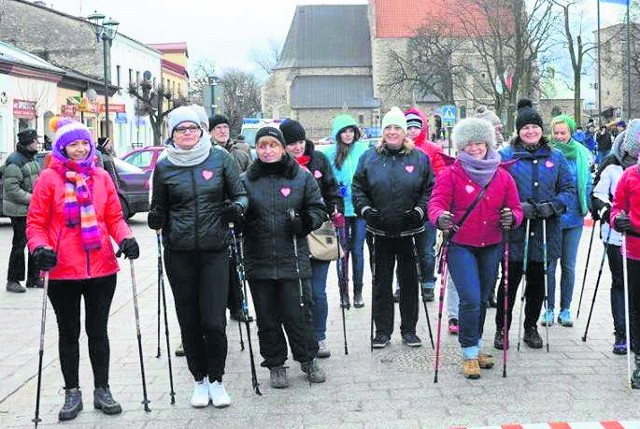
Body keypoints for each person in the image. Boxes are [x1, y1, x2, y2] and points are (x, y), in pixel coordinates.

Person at [27, 118, 139, 421]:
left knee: (98, 330)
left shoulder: (101, 176)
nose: (80, 149)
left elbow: (114, 216)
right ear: (62, 148)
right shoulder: (49, 179)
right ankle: (72, 392)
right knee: (69, 332)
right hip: (62, 269)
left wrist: (126, 238)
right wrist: (39, 248)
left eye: (84, 143)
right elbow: (35, 223)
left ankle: (102, 390)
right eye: (73, 144)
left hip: (102, 267)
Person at [148, 106, 248, 408]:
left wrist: (237, 208)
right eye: (181, 129)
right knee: (189, 320)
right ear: (173, 134)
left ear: (201, 131)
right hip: (179, 254)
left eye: (192, 128)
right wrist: (155, 218)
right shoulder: (164, 166)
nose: (187, 133)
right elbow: (159, 208)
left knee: (214, 322)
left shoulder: (220, 159)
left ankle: (217, 380)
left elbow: (240, 194)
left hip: (215, 251)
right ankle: (199, 380)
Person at [429, 117, 523, 378]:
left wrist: (512, 218)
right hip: (461, 245)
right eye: (468, 144)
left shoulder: (502, 176)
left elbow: (516, 208)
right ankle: (469, 351)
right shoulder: (451, 174)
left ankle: (478, 345)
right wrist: (440, 218)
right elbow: (436, 203)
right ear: (460, 146)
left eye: (479, 143)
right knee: (470, 298)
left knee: (482, 299)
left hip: (491, 245)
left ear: (488, 143)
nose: (474, 148)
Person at [241, 126, 327, 388]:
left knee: (298, 313)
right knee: (267, 317)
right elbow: (237, 208)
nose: (268, 151)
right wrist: (242, 220)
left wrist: (304, 222)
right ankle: (275, 363)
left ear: (282, 148)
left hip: (293, 257)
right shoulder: (246, 179)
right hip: (259, 258)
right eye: (262, 146)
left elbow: (317, 209)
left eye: (273, 145)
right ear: (257, 149)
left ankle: (307, 358)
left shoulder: (301, 177)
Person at [493, 99, 574, 350]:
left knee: (538, 280)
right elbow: (495, 191)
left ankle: (530, 326)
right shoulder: (505, 157)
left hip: (545, 230)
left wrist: (553, 206)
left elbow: (569, 190)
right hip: (515, 230)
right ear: (518, 131)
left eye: (535, 127)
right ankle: (501, 328)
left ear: (542, 129)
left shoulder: (556, 157)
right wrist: (516, 208)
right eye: (525, 127)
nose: (530, 131)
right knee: (510, 280)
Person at [352, 107, 434, 348]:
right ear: (382, 131)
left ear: (404, 132)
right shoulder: (369, 157)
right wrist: (366, 211)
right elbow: (358, 188)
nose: (392, 132)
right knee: (381, 281)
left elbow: (429, 189)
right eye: (388, 127)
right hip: (379, 231)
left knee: (409, 281)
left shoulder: (419, 158)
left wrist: (420, 211)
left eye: (397, 127)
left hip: (410, 231)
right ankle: (382, 331)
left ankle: (409, 330)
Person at [279, 119, 342, 359]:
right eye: (291, 143)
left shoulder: (319, 161)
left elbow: (331, 190)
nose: (297, 147)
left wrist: (334, 206)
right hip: (289, 238)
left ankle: (319, 335)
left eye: (300, 141)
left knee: (317, 292)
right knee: (295, 294)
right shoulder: (277, 165)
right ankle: (297, 339)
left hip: (318, 233)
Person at [592, 121, 640, 355]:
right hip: (616, 235)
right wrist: (608, 213)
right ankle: (621, 333)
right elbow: (597, 195)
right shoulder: (612, 165)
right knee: (621, 282)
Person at [541, 114, 593, 328]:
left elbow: (587, 182)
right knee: (549, 265)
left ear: (571, 133)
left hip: (574, 217)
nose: (560, 136)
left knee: (569, 265)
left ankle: (565, 308)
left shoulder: (581, 153)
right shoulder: (546, 154)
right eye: (556, 132)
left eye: (564, 132)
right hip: (552, 216)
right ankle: (549, 309)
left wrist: (588, 204)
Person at [394, 107, 445, 304]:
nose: (413, 131)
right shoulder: (398, 149)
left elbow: (440, 176)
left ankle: (427, 284)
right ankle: (401, 285)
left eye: (416, 127)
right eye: (409, 127)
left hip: (427, 208)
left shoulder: (433, 149)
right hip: (403, 209)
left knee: (426, 250)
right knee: (402, 249)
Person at [324, 114, 369, 309]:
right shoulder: (329, 153)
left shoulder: (364, 150)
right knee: (343, 251)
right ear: (338, 134)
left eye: (351, 131)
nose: (348, 135)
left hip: (359, 208)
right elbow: (325, 181)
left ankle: (358, 291)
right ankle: (344, 292)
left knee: (358, 250)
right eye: (344, 131)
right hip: (340, 209)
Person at [610, 119, 640, 389]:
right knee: (637, 308)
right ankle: (639, 359)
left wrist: (637, 226)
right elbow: (617, 206)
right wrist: (617, 218)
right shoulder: (629, 177)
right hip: (634, 253)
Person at [3, 128, 41, 293]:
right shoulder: (14, 161)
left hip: (32, 209)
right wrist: (34, 199)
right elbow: (12, 189)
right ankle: (13, 280)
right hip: (19, 210)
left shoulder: (31, 158)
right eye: (35, 142)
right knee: (19, 244)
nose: (37, 144)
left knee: (34, 242)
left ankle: (34, 278)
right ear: (28, 143)